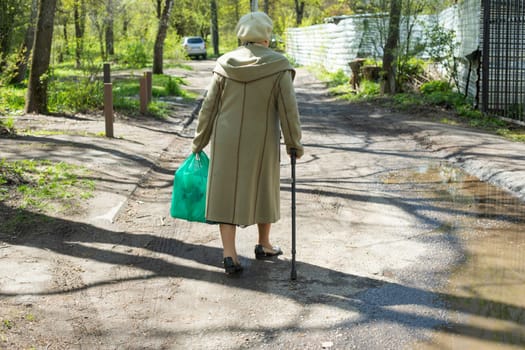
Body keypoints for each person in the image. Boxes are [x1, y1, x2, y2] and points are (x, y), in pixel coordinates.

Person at [191, 12, 304, 275]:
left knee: (225, 193)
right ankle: (263, 244)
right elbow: (289, 111)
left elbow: (208, 107)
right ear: (267, 36)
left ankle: (229, 254)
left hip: (225, 138)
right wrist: (293, 144)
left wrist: (199, 141)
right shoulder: (278, 65)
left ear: (241, 34)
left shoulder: (225, 62)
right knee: (264, 188)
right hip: (262, 139)